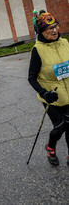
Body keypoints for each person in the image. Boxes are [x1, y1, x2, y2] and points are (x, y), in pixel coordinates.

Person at [28, 12, 69, 166]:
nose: (54, 31)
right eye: (49, 28)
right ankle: (50, 147)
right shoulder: (37, 50)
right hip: (52, 97)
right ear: (41, 32)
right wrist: (44, 93)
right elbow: (31, 77)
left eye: (55, 26)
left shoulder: (65, 42)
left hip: (68, 94)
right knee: (60, 127)